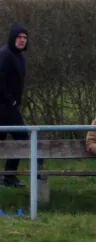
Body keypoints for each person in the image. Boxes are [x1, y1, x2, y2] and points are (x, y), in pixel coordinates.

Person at [0, 23, 29, 188]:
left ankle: (8, 177)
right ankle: (9, 177)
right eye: (19, 37)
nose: (22, 40)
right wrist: (10, 100)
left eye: (25, 37)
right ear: (12, 38)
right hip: (4, 106)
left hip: (10, 106)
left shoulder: (18, 56)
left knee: (5, 142)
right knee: (22, 138)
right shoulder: (5, 54)